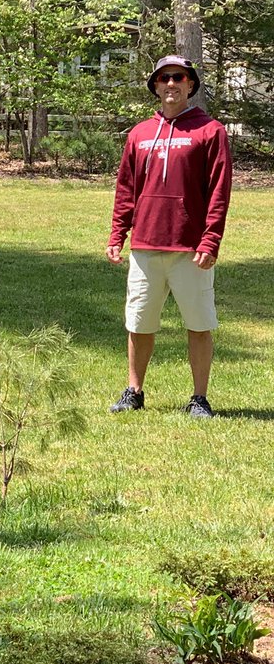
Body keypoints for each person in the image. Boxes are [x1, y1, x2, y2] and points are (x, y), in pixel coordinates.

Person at [106, 55, 232, 418]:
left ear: (191, 84)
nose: (172, 83)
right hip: (145, 245)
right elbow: (126, 189)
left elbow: (218, 192)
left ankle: (200, 398)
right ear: (156, 86)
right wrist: (118, 234)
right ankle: (134, 391)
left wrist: (211, 241)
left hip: (190, 249)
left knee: (199, 323)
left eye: (179, 77)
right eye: (164, 78)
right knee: (139, 323)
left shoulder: (210, 131)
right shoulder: (140, 134)